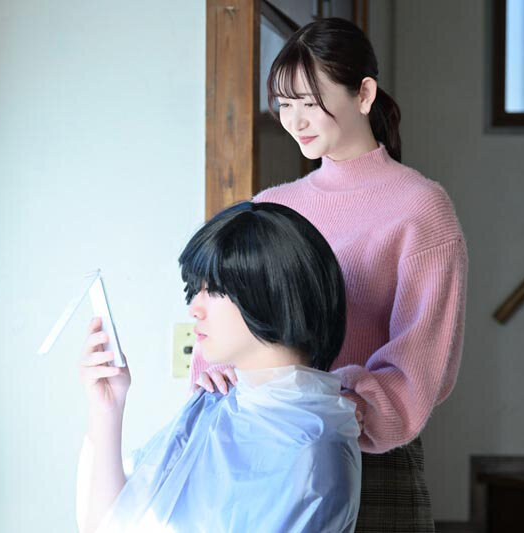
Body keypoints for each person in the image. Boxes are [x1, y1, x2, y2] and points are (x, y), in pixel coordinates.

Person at [191, 17, 469, 533]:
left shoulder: (421, 208)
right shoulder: (271, 206)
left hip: (367, 454)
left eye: (309, 101)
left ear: (364, 94)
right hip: (262, 447)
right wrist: (210, 366)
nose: (295, 120)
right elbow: (230, 312)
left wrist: (349, 405)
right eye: (285, 103)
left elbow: (422, 355)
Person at [75, 201, 363, 533]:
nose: (194, 308)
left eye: (212, 289)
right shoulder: (213, 401)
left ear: (270, 292)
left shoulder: (314, 451)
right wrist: (107, 407)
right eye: (194, 289)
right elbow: (107, 523)